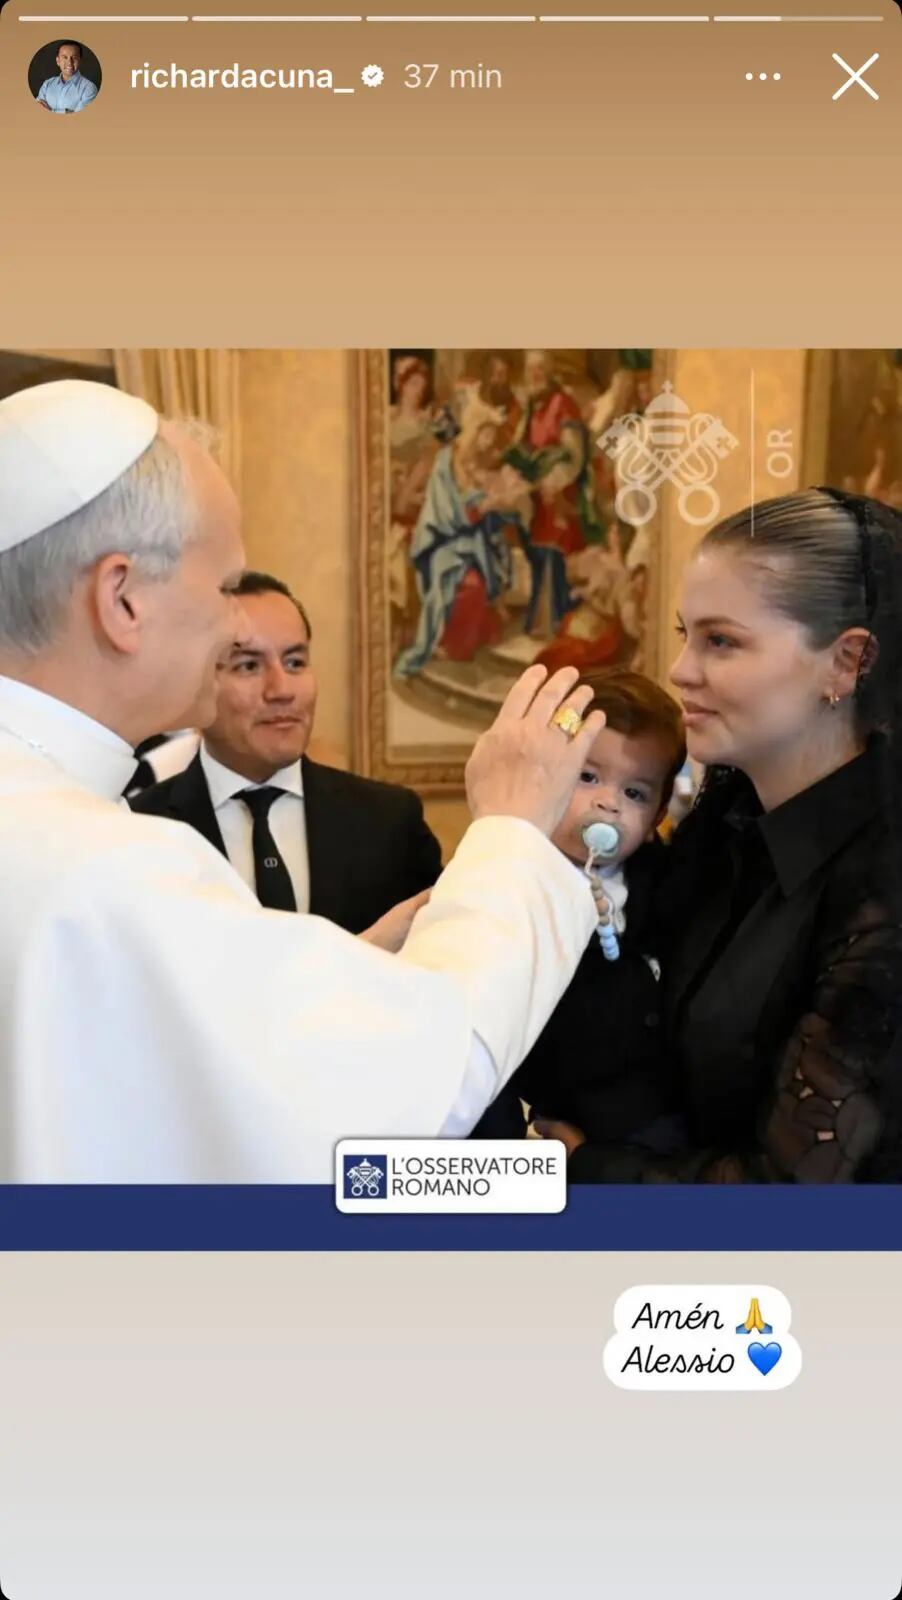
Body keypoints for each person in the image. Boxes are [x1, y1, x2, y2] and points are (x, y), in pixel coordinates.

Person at [0, 378, 606, 1182]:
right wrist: (513, 830)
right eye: (221, 587)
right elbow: (409, 1085)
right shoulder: (103, 864)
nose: (229, 623)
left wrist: (345, 966)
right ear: (122, 601)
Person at [538, 488, 902, 1182]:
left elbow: (799, 1198)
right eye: (685, 634)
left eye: (721, 641)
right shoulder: (724, 830)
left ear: (846, 662)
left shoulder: (881, 888)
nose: (679, 670)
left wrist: (586, 1167)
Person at [132, 570, 442, 932]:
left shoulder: (390, 821)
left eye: (295, 663)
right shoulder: (140, 830)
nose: (281, 690)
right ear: (195, 682)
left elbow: (443, 967)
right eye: (248, 665)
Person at [472, 669, 686, 1159]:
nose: (608, 803)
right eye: (587, 777)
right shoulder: (501, 880)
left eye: (635, 793)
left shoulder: (666, 882)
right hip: (543, 1123)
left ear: (656, 818)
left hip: (649, 1132)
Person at [35, 41, 98, 114]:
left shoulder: (89, 88)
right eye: (65, 57)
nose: (69, 62)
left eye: (74, 58)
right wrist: (67, 112)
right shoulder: (47, 84)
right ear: (58, 61)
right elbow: (37, 112)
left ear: (80, 60)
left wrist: (50, 110)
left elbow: (79, 118)